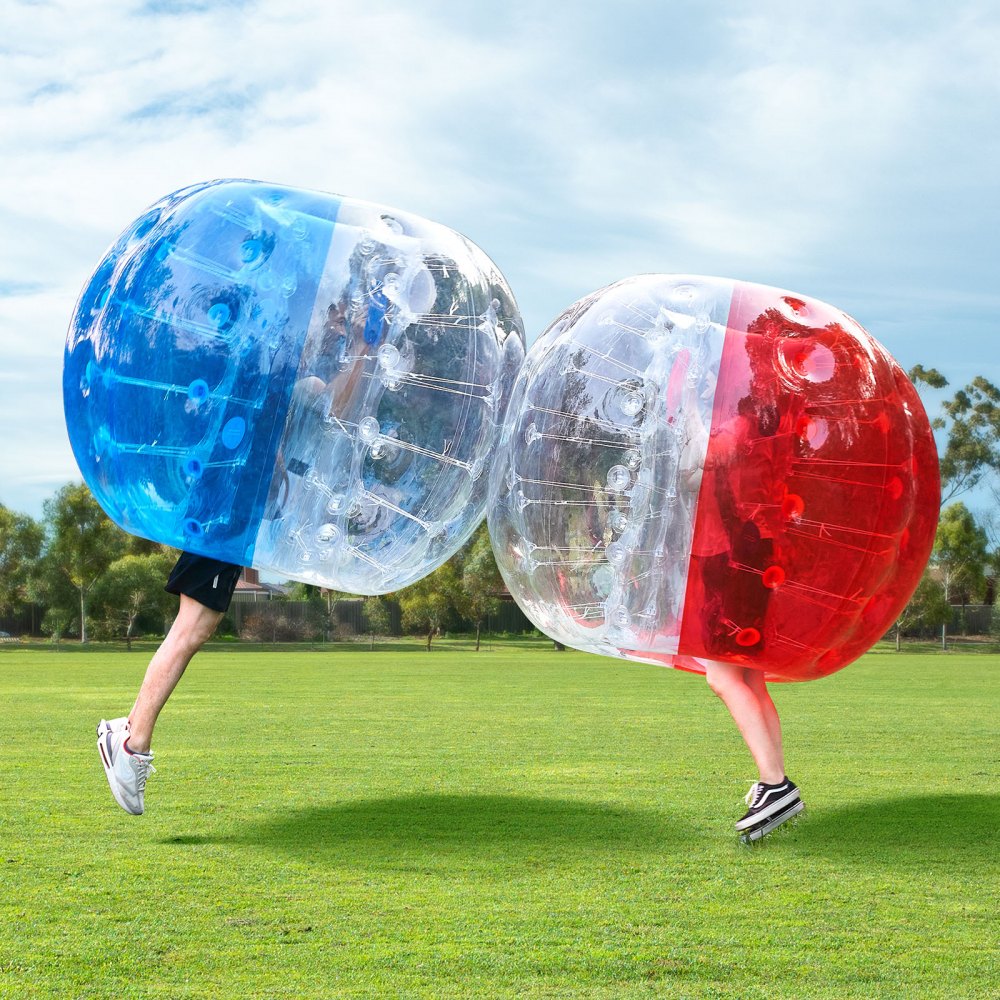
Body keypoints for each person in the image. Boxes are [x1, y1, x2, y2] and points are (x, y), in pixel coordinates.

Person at [96, 552, 242, 815]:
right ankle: (133, 746)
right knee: (192, 629)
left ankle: (128, 729)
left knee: (196, 628)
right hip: (224, 523)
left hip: (230, 525)